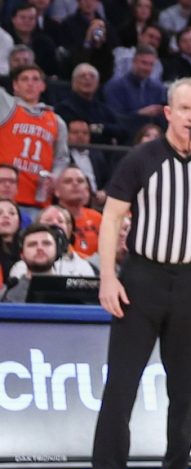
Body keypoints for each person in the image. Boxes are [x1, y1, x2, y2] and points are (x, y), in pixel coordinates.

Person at [85, 78, 191, 469]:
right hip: (142, 280)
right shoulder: (141, 158)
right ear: (168, 112)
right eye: (183, 108)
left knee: (185, 390)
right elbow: (112, 219)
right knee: (121, 385)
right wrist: (108, 278)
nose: (190, 116)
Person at [0, 64, 68, 208]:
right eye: (24, 79)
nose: (30, 84)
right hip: (4, 198)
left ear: (43, 86)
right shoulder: (7, 107)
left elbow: (62, 158)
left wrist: (55, 176)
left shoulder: (56, 121)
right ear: (15, 85)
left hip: (38, 200)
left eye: (35, 79)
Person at [51, 166, 101, 259]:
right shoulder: (49, 217)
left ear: (87, 189)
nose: (75, 184)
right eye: (68, 181)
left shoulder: (98, 218)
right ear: (56, 191)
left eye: (80, 181)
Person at [1, 222, 60, 301]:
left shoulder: (72, 291)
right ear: (22, 255)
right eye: (32, 244)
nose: (39, 248)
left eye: (46, 243)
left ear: (57, 251)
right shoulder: (6, 294)